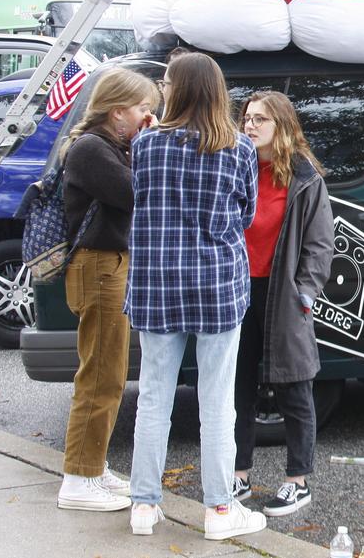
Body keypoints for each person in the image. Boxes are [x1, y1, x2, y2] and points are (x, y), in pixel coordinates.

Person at [126, 52, 265, 540]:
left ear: (178, 89)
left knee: (154, 397)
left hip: (157, 282)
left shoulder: (145, 145)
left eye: (165, 82)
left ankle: (144, 505)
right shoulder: (239, 149)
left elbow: (139, 200)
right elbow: (245, 215)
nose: (161, 88)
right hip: (217, 285)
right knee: (216, 401)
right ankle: (220, 511)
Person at [55, 68, 159, 511]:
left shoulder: (109, 144)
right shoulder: (92, 149)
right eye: (142, 109)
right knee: (100, 374)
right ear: (117, 111)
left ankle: (92, 467)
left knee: (110, 373)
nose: (147, 117)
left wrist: (140, 141)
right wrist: (149, 145)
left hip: (107, 264)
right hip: (98, 265)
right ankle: (78, 479)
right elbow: (137, 192)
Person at [232, 91, 334, 517]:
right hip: (237, 291)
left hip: (283, 293)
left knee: (294, 386)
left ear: (283, 127)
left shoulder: (305, 177)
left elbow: (320, 244)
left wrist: (305, 294)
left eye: (260, 120)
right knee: (236, 389)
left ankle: (297, 481)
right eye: (247, 118)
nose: (250, 126)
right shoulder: (235, 167)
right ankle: (237, 475)